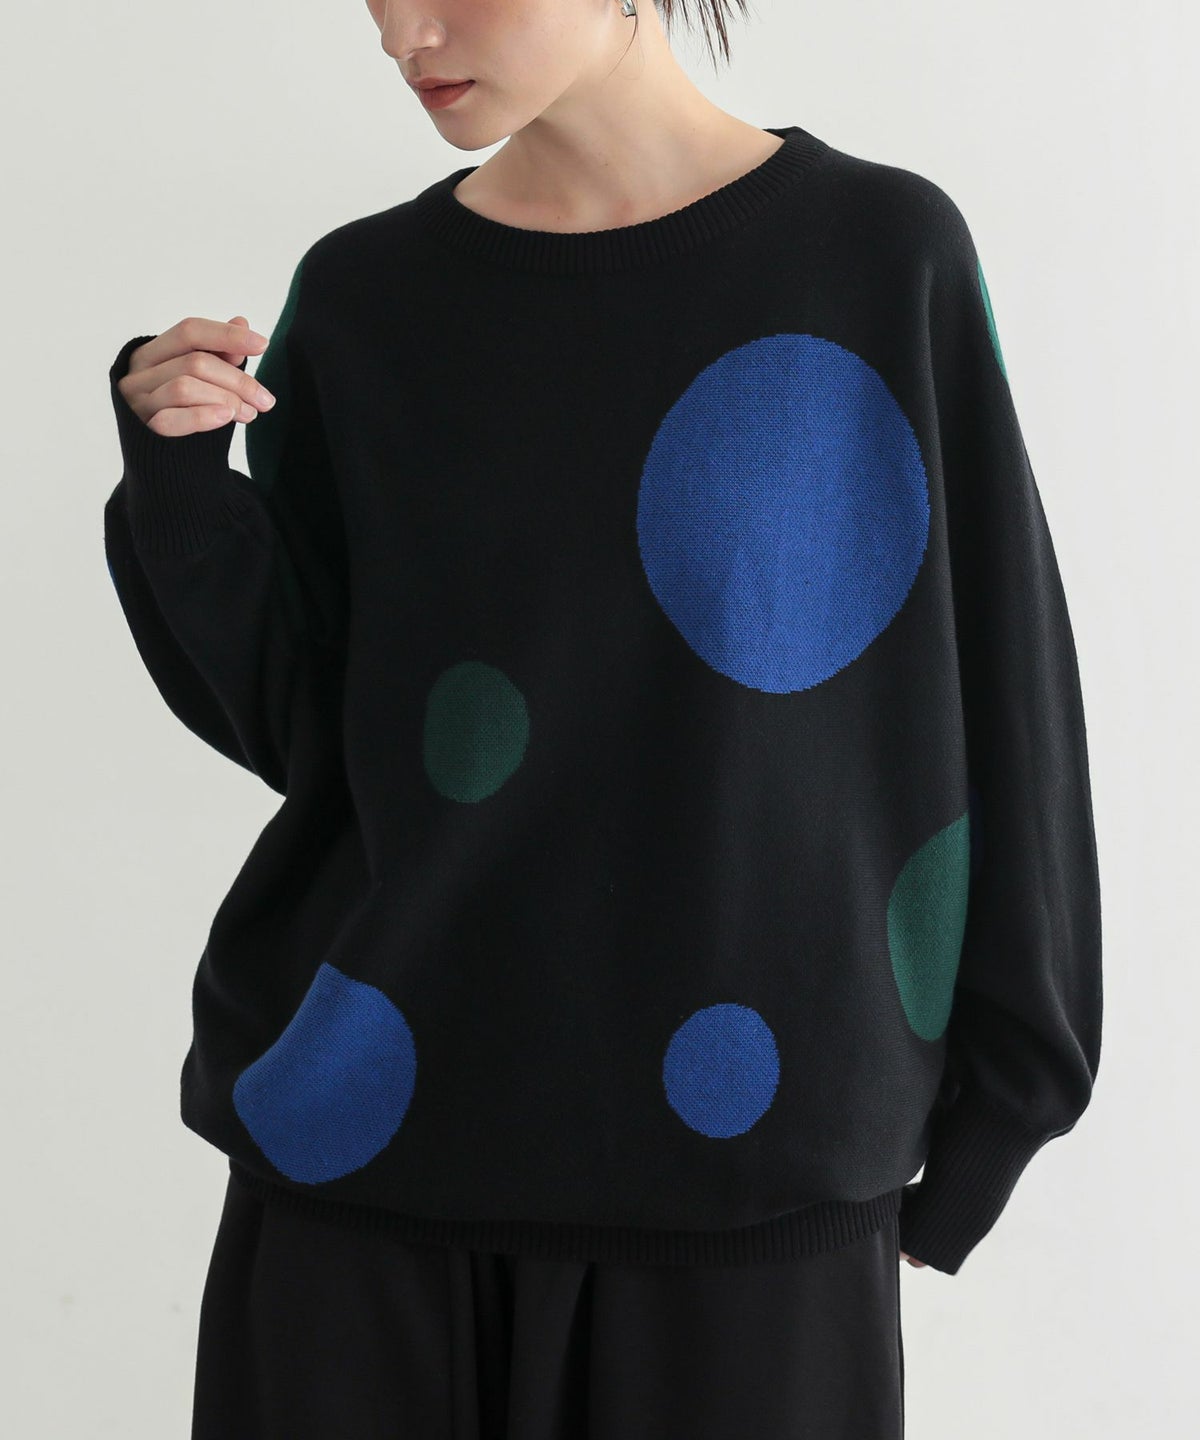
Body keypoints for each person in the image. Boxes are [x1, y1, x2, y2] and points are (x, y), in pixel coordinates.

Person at [103, 1, 1102, 1436]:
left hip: (753, 1187)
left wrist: (1005, 1107)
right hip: (362, 1173)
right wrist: (181, 487)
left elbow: (1007, 696)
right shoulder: (370, 294)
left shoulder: (878, 255)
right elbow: (318, 735)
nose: (403, 30)